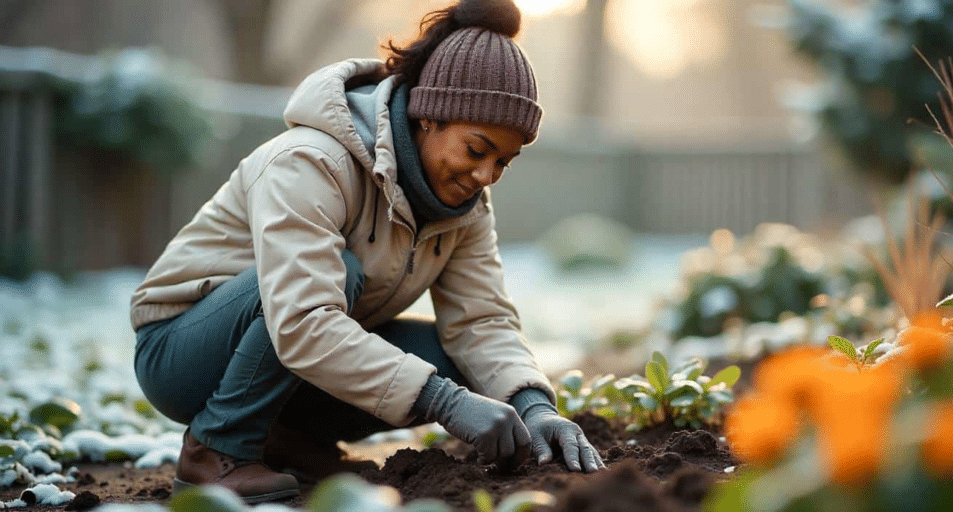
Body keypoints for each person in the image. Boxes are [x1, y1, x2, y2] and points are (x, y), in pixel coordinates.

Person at [129, 0, 604, 504]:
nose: (486, 176)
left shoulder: (466, 208)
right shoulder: (312, 162)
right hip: (183, 353)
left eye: (505, 161)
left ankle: (287, 440)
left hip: (289, 353)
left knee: (466, 365)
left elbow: (482, 321)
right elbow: (302, 318)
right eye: (477, 149)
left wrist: (533, 406)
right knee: (341, 276)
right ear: (429, 117)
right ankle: (215, 450)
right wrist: (443, 401)